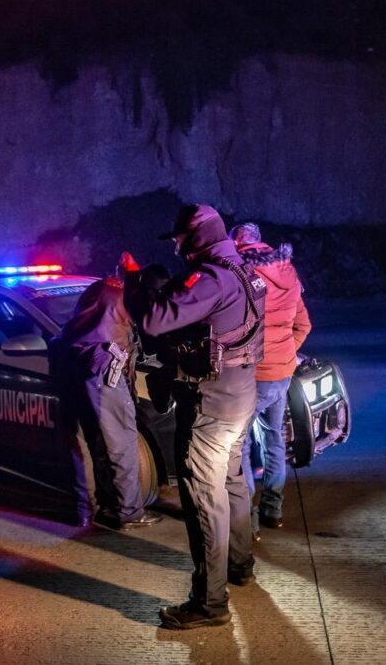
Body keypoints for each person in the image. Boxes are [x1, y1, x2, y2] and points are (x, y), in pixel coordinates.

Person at [125, 204, 266, 630]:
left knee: (204, 496)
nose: (177, 247)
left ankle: (209, 603)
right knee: (234, 481)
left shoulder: (210, 279)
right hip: (241, 392)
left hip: (211, 401)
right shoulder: (243, 269)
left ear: (196, 237)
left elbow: (152, 318)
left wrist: (133, 279)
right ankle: (239, 566)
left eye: (180, 239)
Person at [52, 255, 163, 530]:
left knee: (85, 444)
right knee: (122, 442)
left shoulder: (99, 288)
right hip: (104, 369)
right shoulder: (127, 296)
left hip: (73, 367)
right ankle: (129, 512)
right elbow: (151, 326)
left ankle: (88, 510)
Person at [229, 222, 311, 540]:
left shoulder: (241, 274)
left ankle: (246, 520)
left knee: (240, 445)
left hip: (254, 375)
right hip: (283, 374)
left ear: (238, 244)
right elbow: (303, 324)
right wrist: (286, 356)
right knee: (274, 440)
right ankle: (273, 510)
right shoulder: (288, 272)